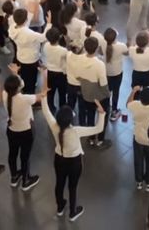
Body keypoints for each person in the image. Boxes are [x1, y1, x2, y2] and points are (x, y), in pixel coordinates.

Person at [40, 92, 105, 222]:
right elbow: (98, 128)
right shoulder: (76, 131)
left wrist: (43, 96)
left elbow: (46, 111)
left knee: (59, 183)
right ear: (71, 119)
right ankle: (73, 212)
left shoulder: (54, 126)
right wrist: (101, 113)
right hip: (74, 163)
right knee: (72, 187)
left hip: (59, 159)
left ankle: (60, 208)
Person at [3, 65, 46, 190]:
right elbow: (42, 94)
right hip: (26, 130)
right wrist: (44, 76)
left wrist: (16, 74)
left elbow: (16, 86)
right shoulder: (25, 98)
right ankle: (26, 181)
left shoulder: (5, 94)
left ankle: (14, 177)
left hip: (11, 129)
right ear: (18, 88)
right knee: (25, 156)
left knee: (12, 154)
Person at [126, 86, 149, 192]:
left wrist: (133, 91)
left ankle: (139, 182)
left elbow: (128, 103)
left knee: (138, 160)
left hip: (138, 138)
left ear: (141, 98)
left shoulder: (135, 105)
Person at [77, 37, 111, 149]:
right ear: (96, 48)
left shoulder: (80, 59)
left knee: (90, 116)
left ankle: (91, 138)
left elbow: (77, 76)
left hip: (86, 94)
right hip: (100, 97)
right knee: (103, 116)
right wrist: (107, 94)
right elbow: (103, 84)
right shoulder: (99, 64)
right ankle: (100, 139)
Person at [10, 8, 51, 94]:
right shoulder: (29, 34)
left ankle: (24, 88)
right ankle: (30, 94)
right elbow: (43, 37)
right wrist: (49, 24)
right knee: (31, 79)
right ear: (25, 20)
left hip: (21, 56)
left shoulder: (12, 29)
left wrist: (30, 13)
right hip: (31, 58)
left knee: (24, 75)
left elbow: (23, 25)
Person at [104, 27, 128, 121]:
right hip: (117, 72)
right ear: (115, 38)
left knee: (107, 90)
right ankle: (114, 111)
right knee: (116, 91)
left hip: (106, 72)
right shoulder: (121, 46)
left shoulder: (103, 44)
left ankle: (105, 107)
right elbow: (126, 53)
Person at [44, 27, 68, 112]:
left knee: (50, 92)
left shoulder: (46, 46)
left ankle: (51, 107)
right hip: (61, 74)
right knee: (62, 93)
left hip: (49, 72)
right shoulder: (63, 50)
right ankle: (62, 108)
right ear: (59, 37)